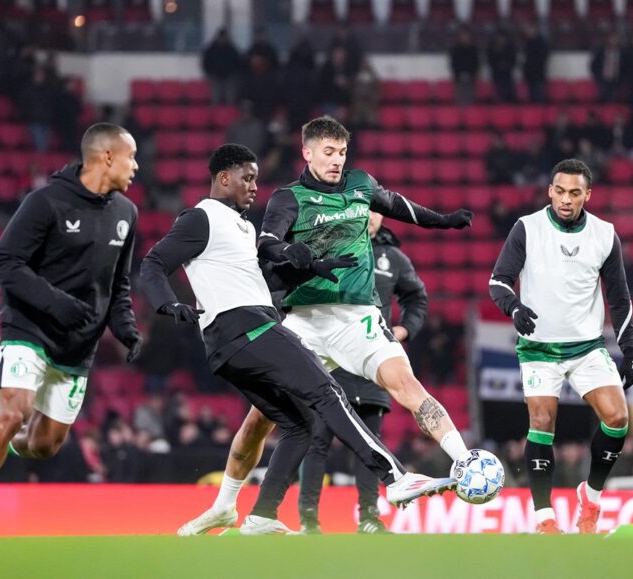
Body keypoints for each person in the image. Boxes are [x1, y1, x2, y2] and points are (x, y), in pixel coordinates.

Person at [141, 144, 455, 536]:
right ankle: (395, 479)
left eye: (256, 177)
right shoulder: (201, 217)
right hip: (246, 328)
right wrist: (167, 305)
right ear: (224, 178)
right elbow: (152, 263)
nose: (255, 186)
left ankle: (262, 516)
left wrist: (312, 268)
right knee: (327, 392)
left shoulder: (241, 227)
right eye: (247, 177)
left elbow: (263, 283)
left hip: (233, 342)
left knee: (301, 423)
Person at [0, 123, 143, 540]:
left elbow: (118, 285)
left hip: (78, 344)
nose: (137, 166)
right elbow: (4, 262)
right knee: (12, 412)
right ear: (107, 156)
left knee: (44, 445)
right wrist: (55, 303)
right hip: (29, 328)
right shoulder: (46, 202)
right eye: (131, 156)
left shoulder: (127, 213)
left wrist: (125, 327)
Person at [257, 116, 473, 466]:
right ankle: (227, 500)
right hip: (305, 321)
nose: (337, 160)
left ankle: (465, 460)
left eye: (342, 152)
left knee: (405, 383)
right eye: (329, 152)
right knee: (261, 415)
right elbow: (266, 242)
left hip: (358, 319)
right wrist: (288, 252)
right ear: (307, 153)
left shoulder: (360, 184)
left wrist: (444, 221)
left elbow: (402, 207)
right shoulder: (289, 198)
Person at [489, 158, 633, 534]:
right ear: (549, 191)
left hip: (587, 347)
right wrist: (515, 306)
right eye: (560, 191)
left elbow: (619, 298)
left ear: (588, 195)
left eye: (575, 192)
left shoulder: (605, 235)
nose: (566, 199)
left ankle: (591, 497)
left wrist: (630, 349)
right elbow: (499, 282)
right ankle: (544, 519)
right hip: (539, 349)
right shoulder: (527, 228)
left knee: (618, 419)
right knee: (541, 423)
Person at [298, 211, 428, 534]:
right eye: (365, 210)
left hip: (371, 362)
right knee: (317, 440)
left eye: (376, 211)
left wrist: (404, 330)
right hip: (330, 362)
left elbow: (417, 298)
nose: (370, 217)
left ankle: (369, 517)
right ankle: (308, 519)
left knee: (370, 442)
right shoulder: (328, 248)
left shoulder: (393, 258)